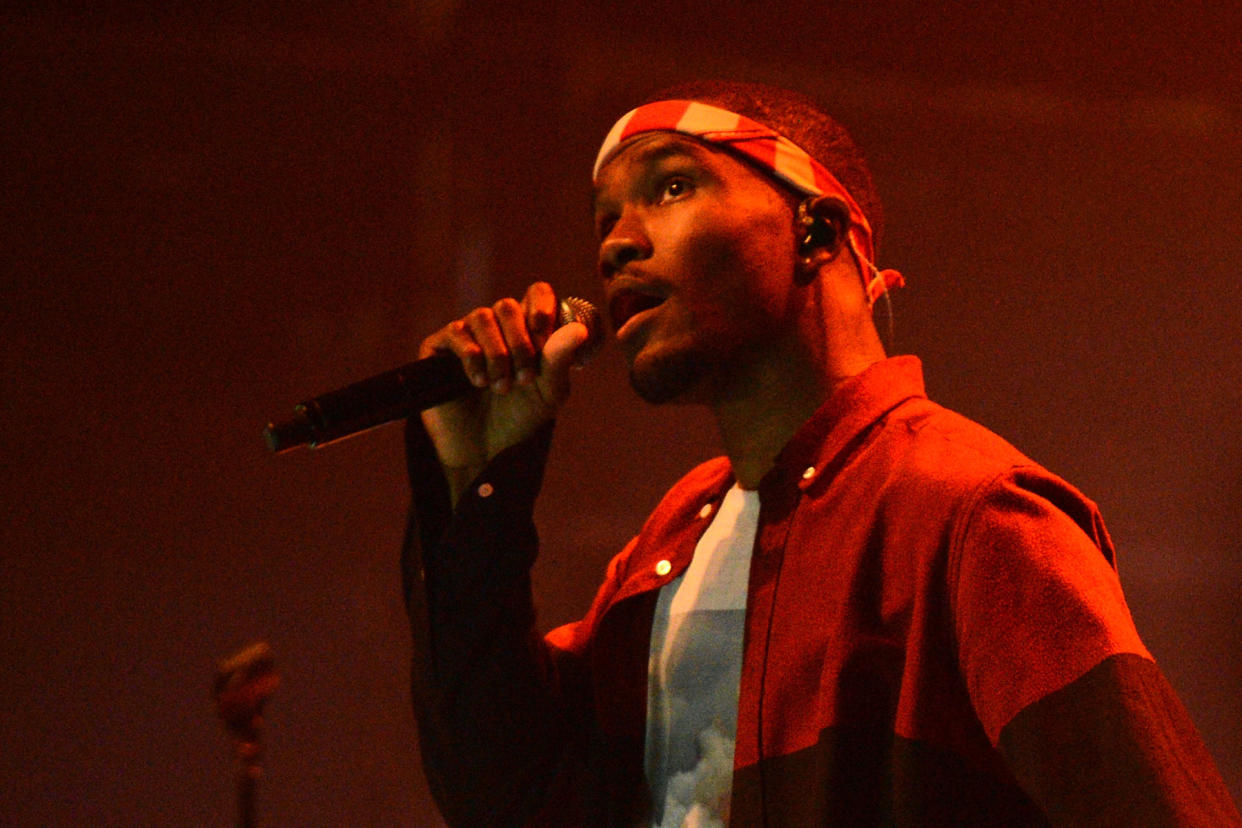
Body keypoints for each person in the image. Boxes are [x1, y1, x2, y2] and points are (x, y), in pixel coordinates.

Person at [401, 80, 1240, 826]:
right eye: (605, 220)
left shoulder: (968, 512)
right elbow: (497, 793)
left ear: (817, 229)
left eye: (671, 186)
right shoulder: (675, 540)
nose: (616, 243)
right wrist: (482, 489)